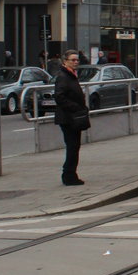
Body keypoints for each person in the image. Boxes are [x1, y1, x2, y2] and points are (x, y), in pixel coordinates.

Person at [53, 49, 89, 185]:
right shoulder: (63, 76)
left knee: (74, 146)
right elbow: (59, 97)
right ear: (65, 61)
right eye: (72, 60)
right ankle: (68, 176)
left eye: (77, 60)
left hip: (73, 116)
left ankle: (70, 174)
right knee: (73, 147)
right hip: (68, 118)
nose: (76, 62)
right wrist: (75, 107)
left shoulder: (71, 75)